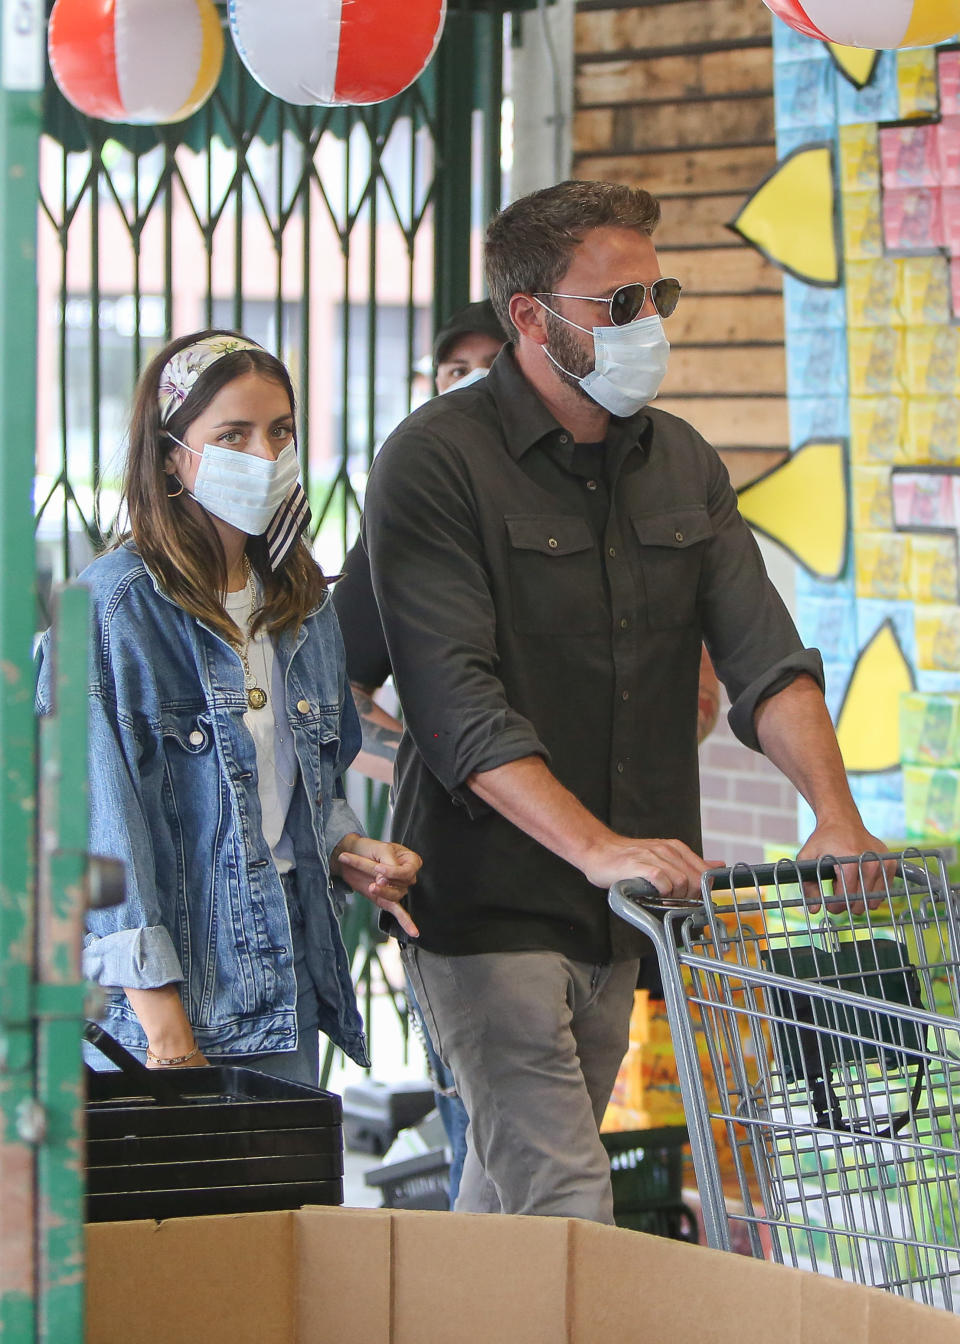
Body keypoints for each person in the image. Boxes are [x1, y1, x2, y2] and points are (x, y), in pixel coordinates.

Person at [361, 180, 885, 1223]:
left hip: (626, 913)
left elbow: (767, 660)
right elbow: (455, 704)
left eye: (662, 295)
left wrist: (836, 812)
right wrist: (595, 843)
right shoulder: (434, 463)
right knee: (566, 1198)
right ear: (532, 318)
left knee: (502, 1206)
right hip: (486, 906)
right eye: (621, 304)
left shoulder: (683, 462)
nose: (652, 325)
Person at [36, 329, 421, 1084]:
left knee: (285, 1202)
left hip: (286, 984)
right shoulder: (114, 609)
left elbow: (307, 784)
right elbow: (93, 835)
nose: (265, 456)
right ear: (173, 454)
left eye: (280, 431)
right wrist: (165, 1028)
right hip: (160, 1015)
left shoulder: (302, 604)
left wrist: (348, 849)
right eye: (232, 435)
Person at [333, 299, 507, 1200]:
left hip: (591, 878)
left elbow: (702, 695)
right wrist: (430, 752)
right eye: (452, 371)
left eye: (490, 364)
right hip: (447, 877)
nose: (470, 385)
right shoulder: (404, 529)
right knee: (478, 1120)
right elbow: (329, 701)